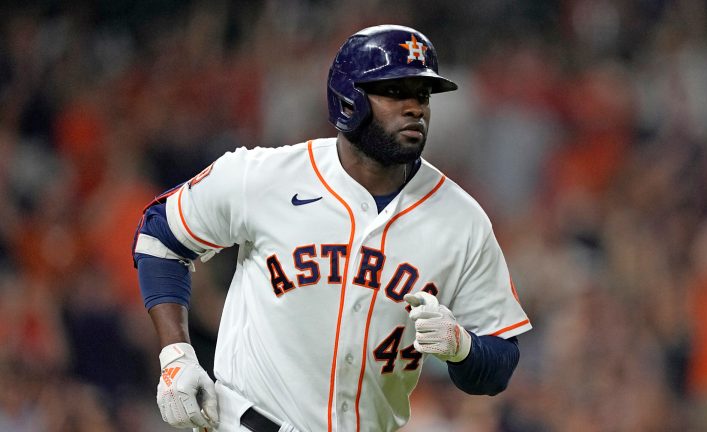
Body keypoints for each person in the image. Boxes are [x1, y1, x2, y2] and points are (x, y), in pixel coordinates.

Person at [132, 24, 532, 432]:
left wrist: (461, 348)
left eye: (423, 94)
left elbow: (500, 363)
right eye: (395, 91)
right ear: (349, 99)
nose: (416, 108)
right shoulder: (264, 176)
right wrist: (176, 355)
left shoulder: (462, 220)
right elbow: (159, 236)